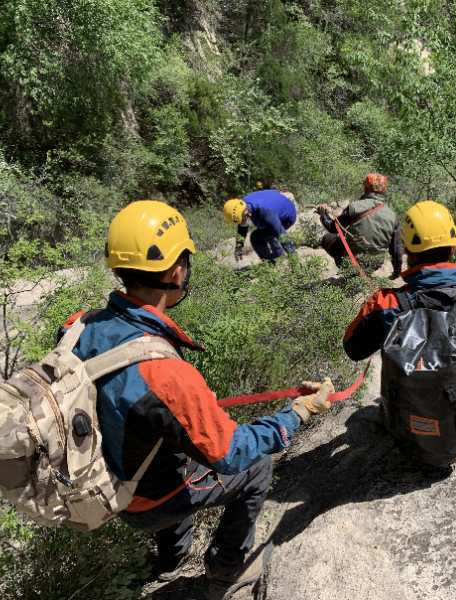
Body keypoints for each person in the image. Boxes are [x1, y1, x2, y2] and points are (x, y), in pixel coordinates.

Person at [62, 200, 333, 597]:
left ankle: (171, 560)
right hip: (143, 501)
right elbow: (231, 454)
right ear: (176, 271)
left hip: (99, 480)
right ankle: (227, 571)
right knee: (256, 467)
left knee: (164, 447)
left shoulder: (76, 328)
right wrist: (298, 411)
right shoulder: (163, 373)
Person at [342, 200, 456, 466]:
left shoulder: (386, 304)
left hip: (399, 427)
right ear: (453, 248)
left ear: (407, 251)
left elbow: (353, 348)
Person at [316, 173, 404, 278]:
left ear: (365, 188)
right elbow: (396, 249)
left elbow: (332, 228)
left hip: (351, 261)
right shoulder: (392, 216)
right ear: (384, 190)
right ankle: (363, 274)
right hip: (375, 263)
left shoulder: (354, 207)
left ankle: (350, 274)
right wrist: (396, 272)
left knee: (327, 238)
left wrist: (323, 215)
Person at [223, 180, 298, 263]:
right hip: (273, 203)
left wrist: (294, 259)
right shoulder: (242, 206)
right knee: (259, 232)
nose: (245, 220)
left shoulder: (265, 212)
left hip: (288, 215)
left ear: (245, 209)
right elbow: (242, 228)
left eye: (245, 217)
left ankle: (277, 257)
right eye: (242, 220)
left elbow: (281, 234)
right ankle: (271, 261)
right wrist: (239, 247)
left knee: (261, 233)